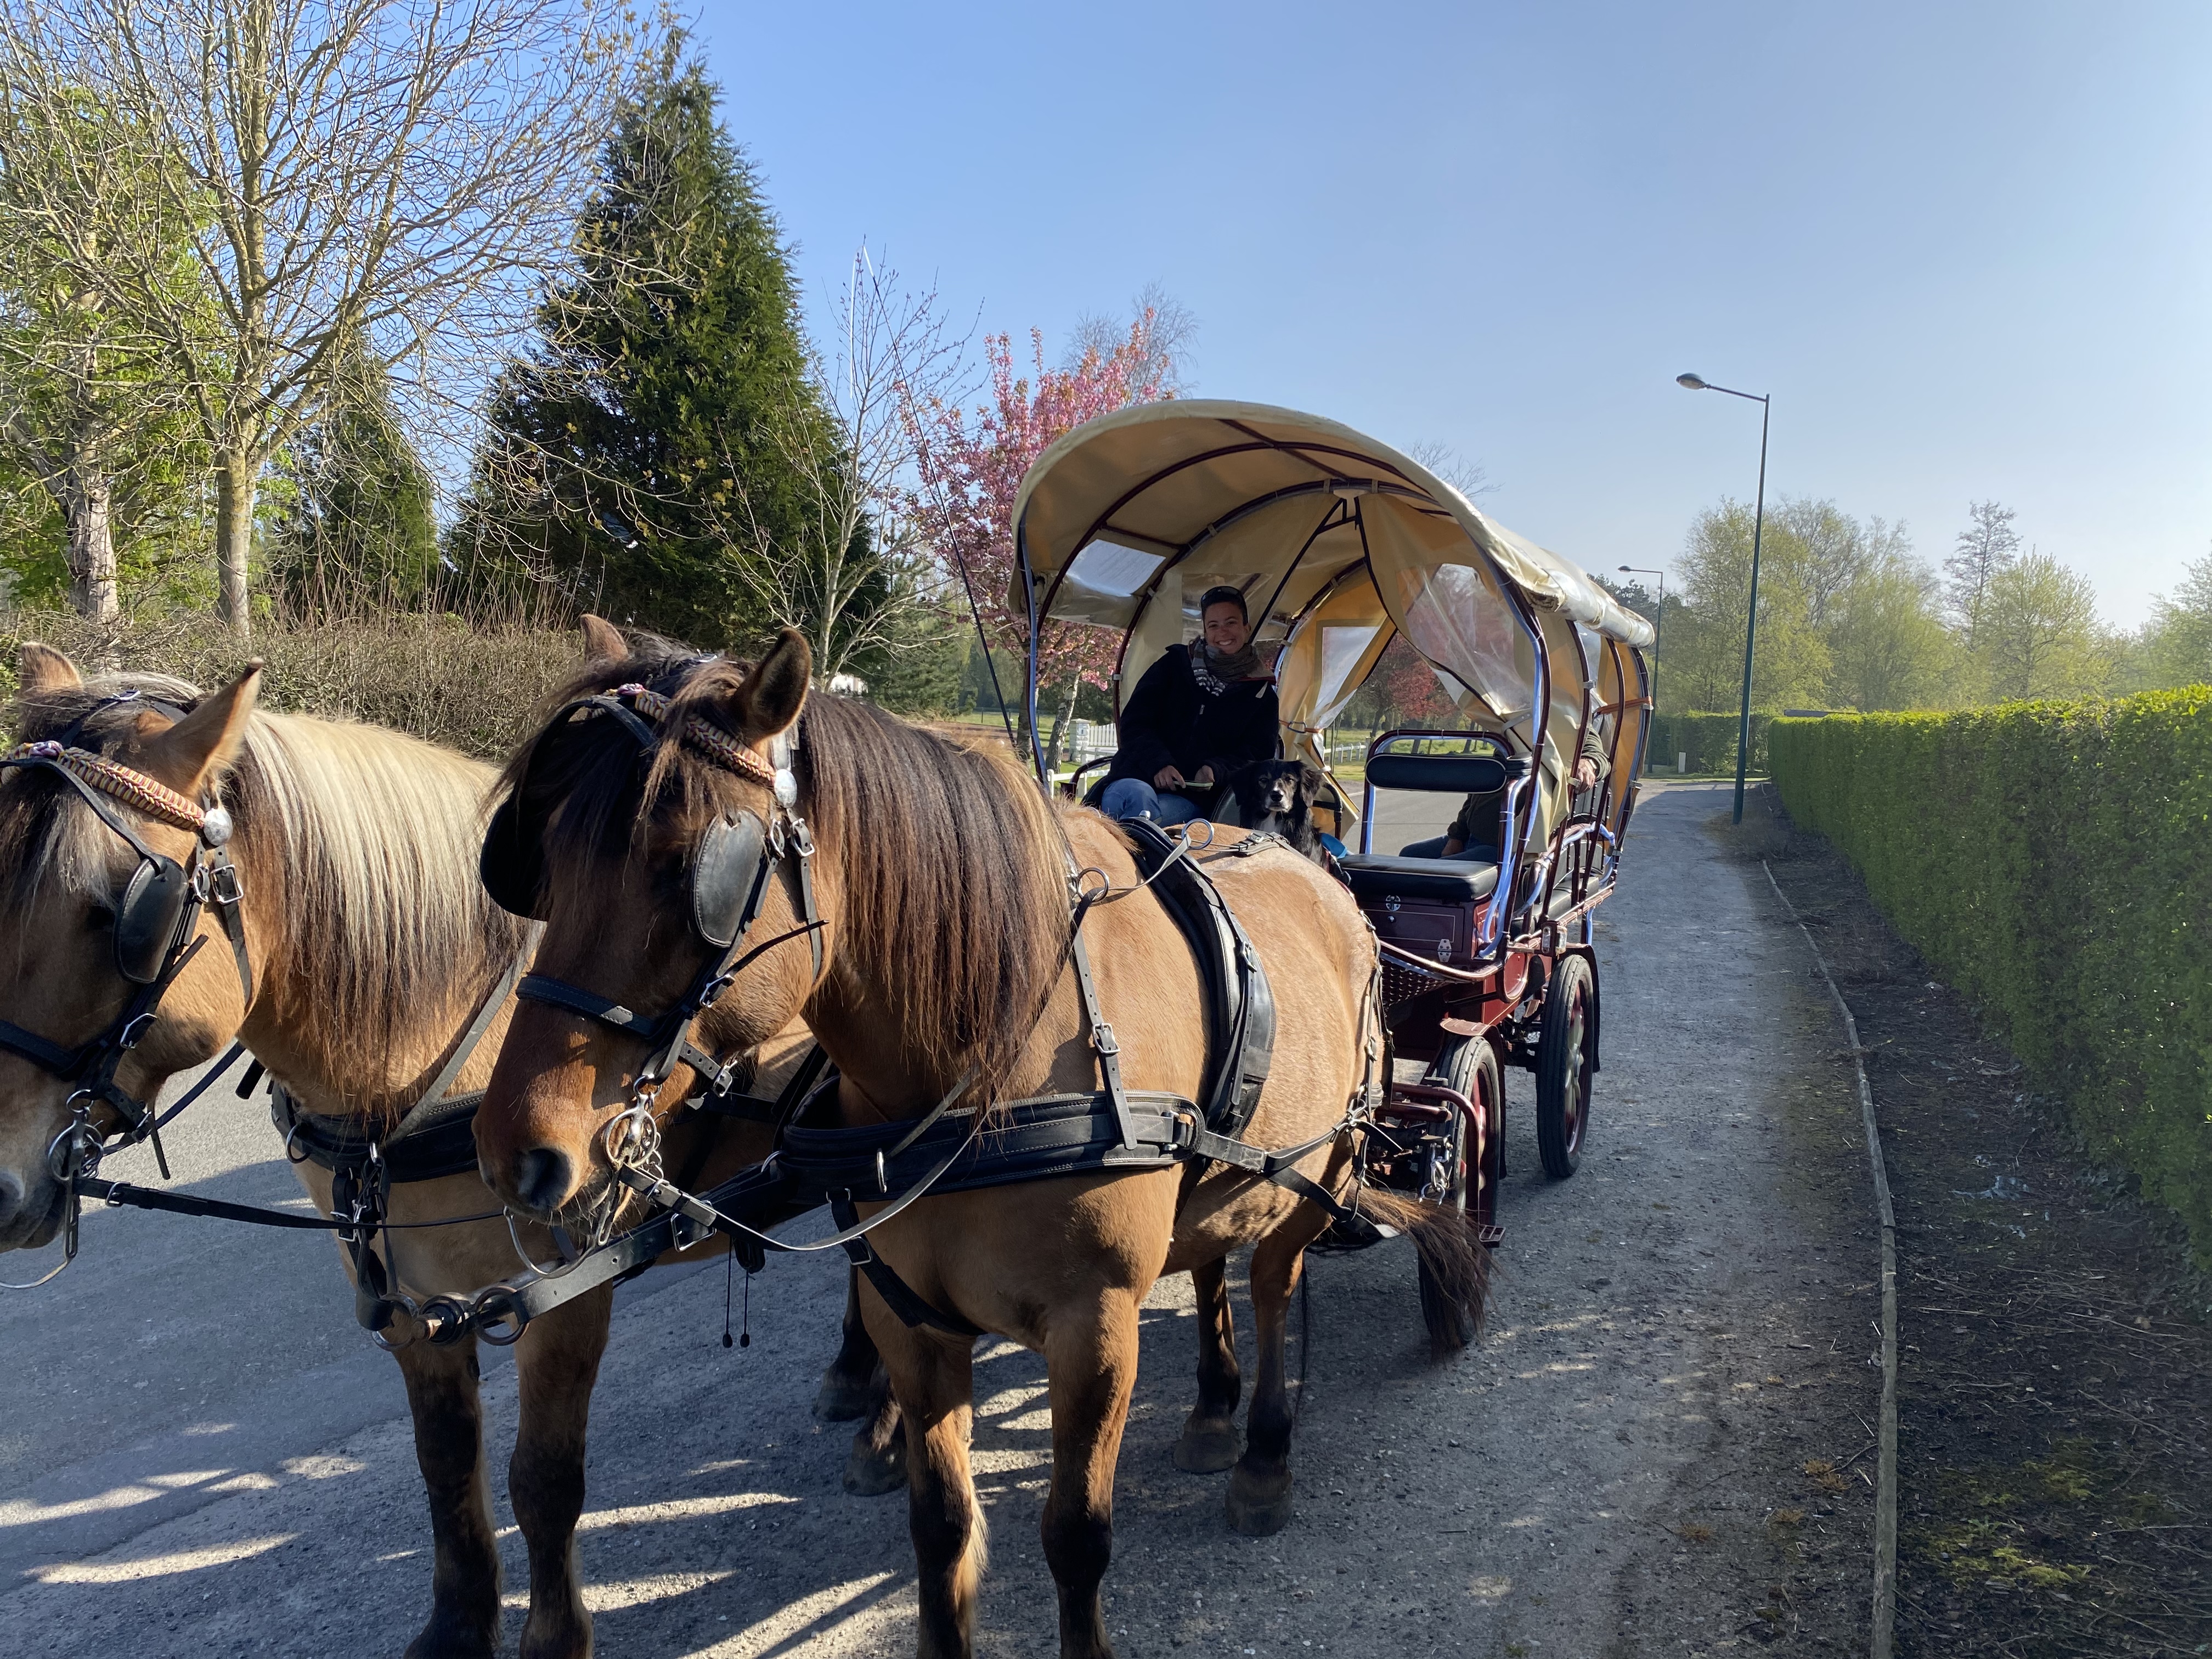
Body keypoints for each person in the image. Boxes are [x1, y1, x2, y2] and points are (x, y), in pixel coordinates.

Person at [1100, 586, 1279, 826]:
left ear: (1246, 628)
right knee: (1134, 800)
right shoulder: (1173, 665)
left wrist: (1215, 769)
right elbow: (1135, 722)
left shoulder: (1262, 695)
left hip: (1191, 796)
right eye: (1213, 625)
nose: (1222, 632)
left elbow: (1257, 755)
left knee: (1147, 818)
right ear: (1205, 631)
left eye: (1231, 623)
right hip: (1136, 776)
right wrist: (1159, 763)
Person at [1398, 728, 1610, 861]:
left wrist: (1588, 763)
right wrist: (1457, 836)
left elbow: (1597, 755)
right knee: (1408, 857)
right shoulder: (1510, 724)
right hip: (1473, 836)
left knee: (1439, 873)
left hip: (1508, 847)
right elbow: (1478, 793)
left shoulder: (1569, 720)